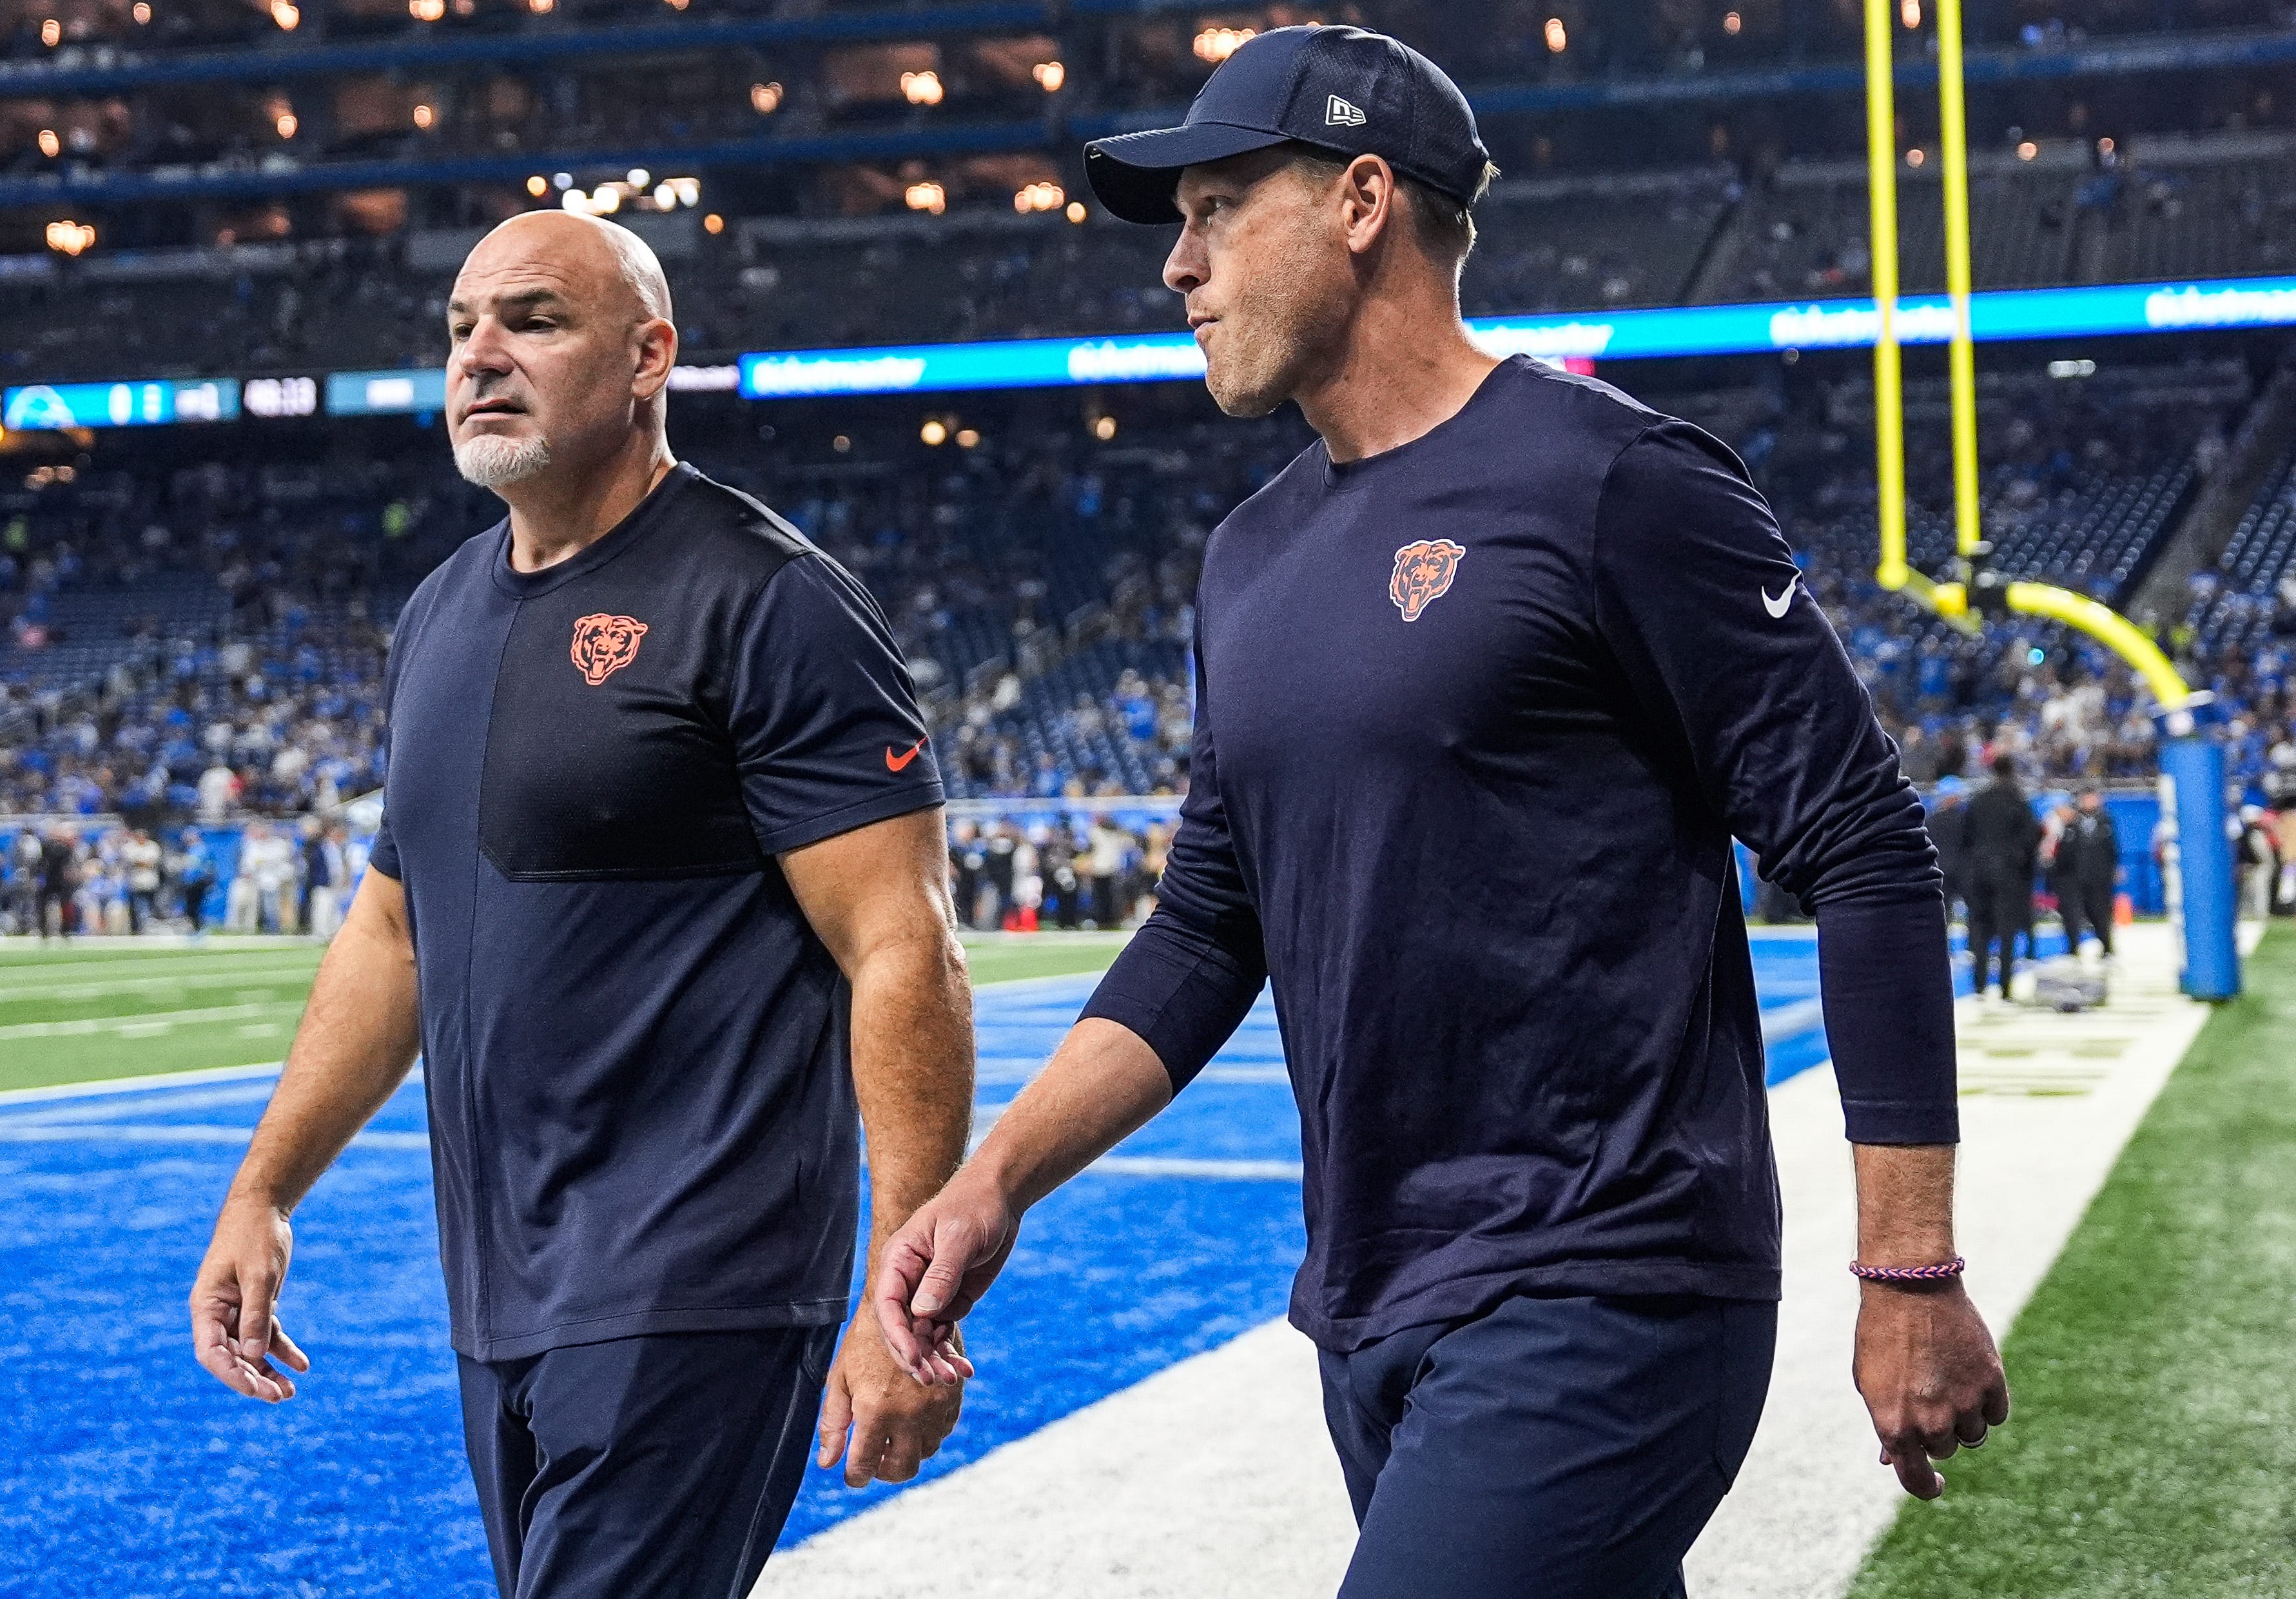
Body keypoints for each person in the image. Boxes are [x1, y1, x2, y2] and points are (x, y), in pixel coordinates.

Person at [875, 27, 2005, 1599]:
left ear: (1357, 201)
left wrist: (1907, 1263)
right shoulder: (1245, 557)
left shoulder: (1611, 482)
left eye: (1212, 211)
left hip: (1607, 1276)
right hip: (1371, 1293)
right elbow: (1211, 924)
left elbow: (1864, 845)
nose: (1176, 268)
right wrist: (992, 1180)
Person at [188, 210, 974, 1599]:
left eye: (535, 320)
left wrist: (906, 1303)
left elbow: (902, 945)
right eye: (460, 329)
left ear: (648, 355)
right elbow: (393, 930)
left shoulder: (767, 598)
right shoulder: (441, 611)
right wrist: (266, 1188)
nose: (481, 354)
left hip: (699, 1278)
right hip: (502, 1281)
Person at [1962, 755, 2042, 998]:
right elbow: (2034, 834)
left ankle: (1979, 986)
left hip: (1979, 872)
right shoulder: (2017, 800)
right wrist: (2019, 858)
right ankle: (2005, 988)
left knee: (1979, 928)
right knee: (2007, 929)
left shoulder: (1978, 800)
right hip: (2008, 874)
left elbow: (1966, 838)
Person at [2057, 787, 2118, 957]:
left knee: (2100, 912)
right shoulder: (2071, 823)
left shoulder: (2105, 821)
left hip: (2098, 875)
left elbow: (2112, 847)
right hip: (2075, 876)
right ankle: (2072, 947)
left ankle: (2106, 946)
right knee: (2072, 913)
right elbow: (2062, 850)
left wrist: (2114, 868)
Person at [1925, 776, 1970, 928]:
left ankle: (1944, 949)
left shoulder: (1931, 820)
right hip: (1962, 869)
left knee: (1943, 914)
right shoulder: (1965, 819)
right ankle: (1975, 949)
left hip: (1940, 869)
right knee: (1974, 913)